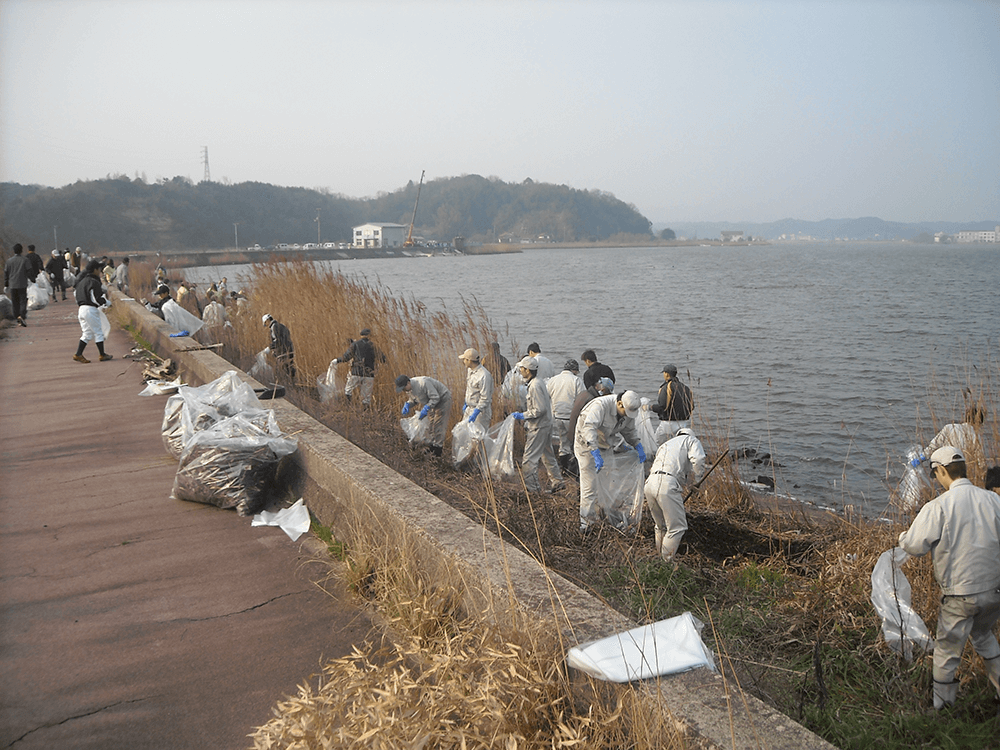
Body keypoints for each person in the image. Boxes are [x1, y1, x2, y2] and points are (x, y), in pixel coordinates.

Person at [897, 446, 1000, 711]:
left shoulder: (938, 506)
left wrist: (901, 539)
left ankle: (943, 707)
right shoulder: (992, 500)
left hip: (959, 595)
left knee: (946, 651)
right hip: (994, 592)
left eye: (936, 475)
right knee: (984, 634)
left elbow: (914, 546)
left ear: (941, 471)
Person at [574, 390, 646, 532]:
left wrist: (637, 444)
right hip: (586, 447)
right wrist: (594, 451)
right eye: (625, 411)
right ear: (619, 403)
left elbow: (629, 431)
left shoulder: (627, 411)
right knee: (590, 486)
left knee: (607, 483)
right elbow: (589, 428)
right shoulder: (600, 406)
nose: (627, 415)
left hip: (605, 446)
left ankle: (602, 514)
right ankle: (586, 525)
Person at [644, 426, 706, 562]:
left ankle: (658, 558)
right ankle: (666, 562)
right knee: (677, 527)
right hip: (667, 484)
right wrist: (697, 480)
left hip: (650, 483)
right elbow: (699, 459)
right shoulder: (691, 440)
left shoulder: (666, 444)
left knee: (660, 526)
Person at [511, 357, 564, 494]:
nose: (520, 371)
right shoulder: (537, 382)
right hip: (545, 425)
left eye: (522, 369)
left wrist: (523, 415)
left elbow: (540, 409)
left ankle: (533, 490)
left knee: (529, 459)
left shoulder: (534, 385)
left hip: (538, 427)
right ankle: (558, 482)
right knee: (547, 455)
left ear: (527, 370)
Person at [919, 404, 987, 478]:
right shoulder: (975, 436)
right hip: (961, 472)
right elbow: (981, 460)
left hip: (942, 469)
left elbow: (933, 446)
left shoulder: (949, 427)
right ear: (979, 423)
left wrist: (921, 458)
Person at [395, 374, 452, 457]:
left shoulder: (423, 383)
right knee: (431, 424)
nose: (404, 391)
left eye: (404, 388)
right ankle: (432, 447)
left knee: (438, 424)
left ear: (408, 383)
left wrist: (426, 408)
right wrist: (408, 405)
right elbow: (414, 400)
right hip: (431, 402)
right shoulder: (409, 389)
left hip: (443, 400)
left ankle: (438, 450)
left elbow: (435, 397)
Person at [547, 359, 585, 476]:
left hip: (557, 417)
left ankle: (563, 469)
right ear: (574, 370)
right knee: (574, 443)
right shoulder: (576, 380)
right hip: (571, 417)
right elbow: (582, 398)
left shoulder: (553, 380)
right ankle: (573, 470)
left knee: (563, 442)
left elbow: (547, 395)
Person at [73, 259, 113, 363]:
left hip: (81, 309)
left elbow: (76, 295)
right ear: (95, 269)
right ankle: (102, 355)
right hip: (90, 309)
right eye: (99, 269)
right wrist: (106, 303)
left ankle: (78, 354)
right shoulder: (94, 282)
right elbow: (96, 298)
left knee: (86, 333)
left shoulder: (82, 282)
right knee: (98, 332)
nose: (100, 271)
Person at [334, 328, 384, 406]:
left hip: (356, 371)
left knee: (348, 390)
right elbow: (382, 359)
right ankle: (364, 412)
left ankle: (347, 407)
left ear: (361, 335)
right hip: (369, 374)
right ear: (369, 336)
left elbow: (346, 357)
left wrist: (337, 360)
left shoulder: (355, 344)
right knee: (366, 396)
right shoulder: (374, 346)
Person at [567, 376, 614, 453]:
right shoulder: (593, 401)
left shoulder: (584, 393)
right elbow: (590, 423)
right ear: (603, 390)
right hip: (578, 435)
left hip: (571, 430)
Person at [650, 365, 695, 445]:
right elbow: (692, 407)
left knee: (657, 445)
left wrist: (650, 407)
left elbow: (662, 407)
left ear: (667, 374)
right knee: (678, 446)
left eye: (664, 373)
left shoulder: (666, 388)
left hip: (668, 424)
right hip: (683, 424)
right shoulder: (685, 388)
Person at [460, 347, 494, 427]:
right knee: (465, 435)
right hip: (469, 408)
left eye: (464, 359)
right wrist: (466, 402)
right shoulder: (470, 370)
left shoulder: (484, 375)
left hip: (480, 413)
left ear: (469, 360)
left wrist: (476, 412)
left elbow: (485, 398)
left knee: (477, 437)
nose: (463, 361)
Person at [262, 313, 296, 382]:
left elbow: (277, 341)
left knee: (282, 369)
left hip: (282, 353)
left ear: (268, 320)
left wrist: (270, 347)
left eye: (265, 323)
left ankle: (286, 384)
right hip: (290, 350)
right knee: (289, 367)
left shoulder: (274, 327)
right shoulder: (282, 326)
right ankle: (292, 382)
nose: (267, 325)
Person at [4, 243, 31, 326]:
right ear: (21, 250)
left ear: (14, 251)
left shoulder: (9, 261)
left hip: (12, 285)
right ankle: (22, 315)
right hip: (22, 284)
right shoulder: (25, 260)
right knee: (23, 301)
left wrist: (6, 284)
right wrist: (32, 280)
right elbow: (29, 271)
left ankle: (17, 317)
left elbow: (6, 273)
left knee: (15, 302)